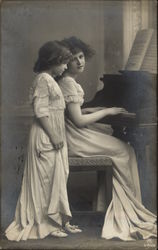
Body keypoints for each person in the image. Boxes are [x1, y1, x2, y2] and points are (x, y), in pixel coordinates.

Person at [58, 36, 157, 241]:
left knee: (119, 145)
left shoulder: (66, 80)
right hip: (75, 137)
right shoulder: (68, 83)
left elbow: (71, 111)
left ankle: (115, 207)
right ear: (65, 61)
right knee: (124, 150)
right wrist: (108, 111)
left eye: (82, 56)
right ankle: (130, 211)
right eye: (74, 58)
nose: (80, 62)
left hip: (70, 134)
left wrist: (93, 108)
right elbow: (78, 121)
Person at [5, 41, 81, 241]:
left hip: (55, 134)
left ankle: (60, 221)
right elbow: (41, 112)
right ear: (53, 61)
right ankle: (46, 224)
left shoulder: (51, 80)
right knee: (46, 180)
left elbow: (58, 109)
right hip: (46, 135)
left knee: (58, 177)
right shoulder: (43, 79)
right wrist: (54, 135)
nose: (66, 67)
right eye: (64, 63)